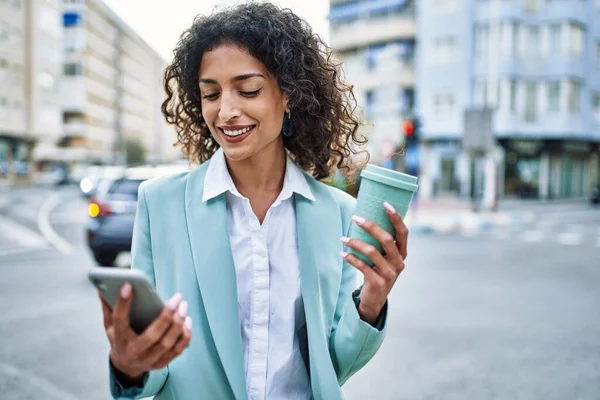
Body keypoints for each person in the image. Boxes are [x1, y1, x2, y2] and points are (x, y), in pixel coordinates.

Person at [98, 3, 410, 399]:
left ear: (289, 95)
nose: (226, 112)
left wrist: (371, 300)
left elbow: (332, 365)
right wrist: (129, 366)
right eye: (211, 94)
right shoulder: (160, 203)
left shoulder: (338, 213)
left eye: (248, 90)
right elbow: (152, 370)